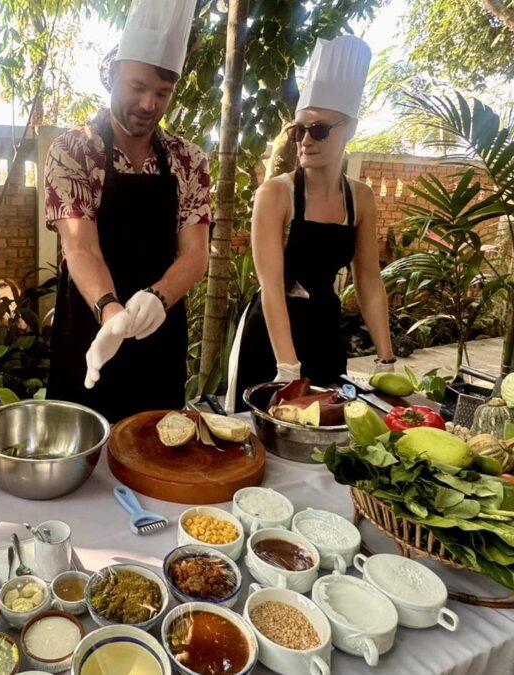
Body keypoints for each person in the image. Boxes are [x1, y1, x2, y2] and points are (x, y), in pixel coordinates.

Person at [44, 0, 210, 423]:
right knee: (83, 455)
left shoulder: (188, 159)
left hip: (160, 329)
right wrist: (112, 315)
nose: (148, 103)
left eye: (162, 93)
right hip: (89, 325)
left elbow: (195, 253)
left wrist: (158, 297)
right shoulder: (73, 149)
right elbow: (80, 247)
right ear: (113, 74)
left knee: (158, 449)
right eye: (137, 86)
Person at [226, 35, 395, 412]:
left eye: (318, 130)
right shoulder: (276, 194)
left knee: (325, 439)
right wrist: (288, 370)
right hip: (272, 336)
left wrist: (387, 361)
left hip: (324, 331)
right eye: (299, 129)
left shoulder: (361, 198)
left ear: (349, 128)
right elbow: (271, 287)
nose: (305, 139)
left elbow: (368, 280)